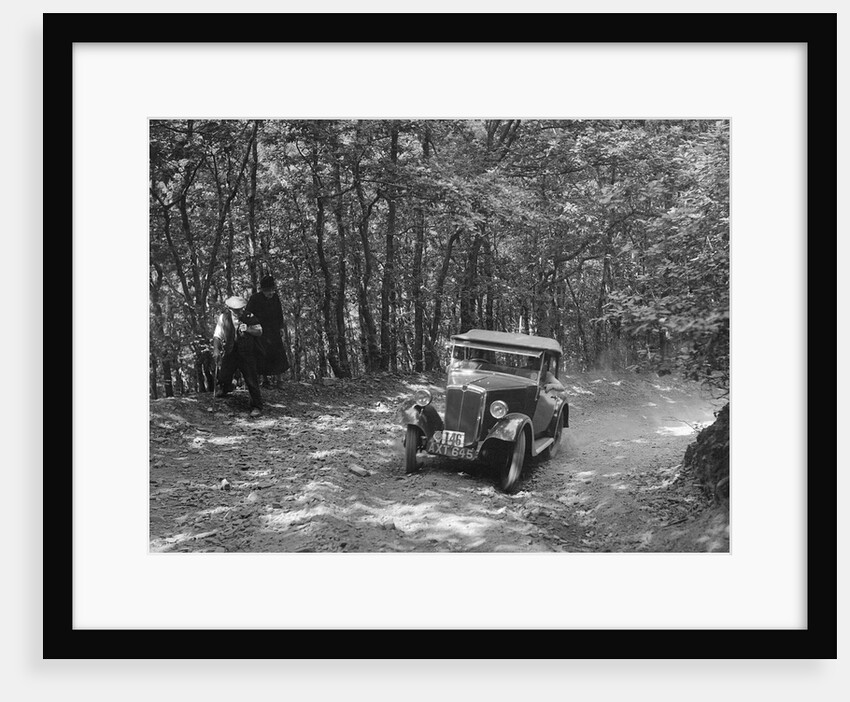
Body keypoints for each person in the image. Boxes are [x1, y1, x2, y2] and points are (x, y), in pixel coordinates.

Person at [212, 296, 264, 417]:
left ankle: (256, 406)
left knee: (251, 380)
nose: (240, 311)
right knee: (224, 374)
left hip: (247, 352)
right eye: (237, 310)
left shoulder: (249, 316)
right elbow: (217, 335)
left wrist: (249, 329)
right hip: (231, 351)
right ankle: (225, 389)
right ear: (230, 309)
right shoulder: (223, 318)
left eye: (241, 309)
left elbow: (260, 331)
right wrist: (216, 349)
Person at [245, 274, 289, 388]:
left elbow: (280, 313)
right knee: (262, 355)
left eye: (272, 290)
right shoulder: (255, 299)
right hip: (261, 332)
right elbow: (248, 314)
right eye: (268, 291)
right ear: (263, 290)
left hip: (274, 331)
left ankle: (280, 380)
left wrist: (281, 327)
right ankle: (265, 381)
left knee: (278, 354)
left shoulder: (275, 298)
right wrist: (250, 327)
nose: (271, 293)